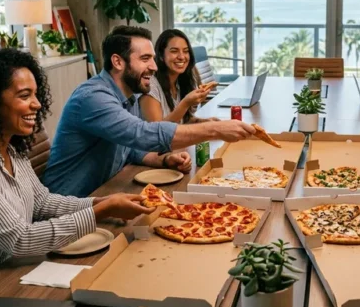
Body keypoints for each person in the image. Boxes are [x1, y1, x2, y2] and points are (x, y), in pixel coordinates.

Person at [0, 49, 155, 302]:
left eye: (35, 94)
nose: (38, 104)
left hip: (7, 269)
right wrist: (100, 212)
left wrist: (99, 204)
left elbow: (42, 202)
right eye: (24, 95)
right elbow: (20, 239)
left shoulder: (9, 147)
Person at [43, 26, 254, 197]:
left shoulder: (129, 95)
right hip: (68, 208)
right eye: (145, 59)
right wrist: (217, 130)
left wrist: (162, 160)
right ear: (118, 62)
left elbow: (130, 148)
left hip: (103, 195)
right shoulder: (93, 97)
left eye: (153, 58)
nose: (154, 66)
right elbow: (142, 134)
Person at [141, 29, 218, 123]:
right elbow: (158, 132)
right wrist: (185, 103)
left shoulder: (182, 80)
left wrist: (205, 122)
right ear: (161, 55)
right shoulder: (150, 85)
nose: (182, 57)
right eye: (174, 51)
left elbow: (182, 121)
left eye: (186, 51)